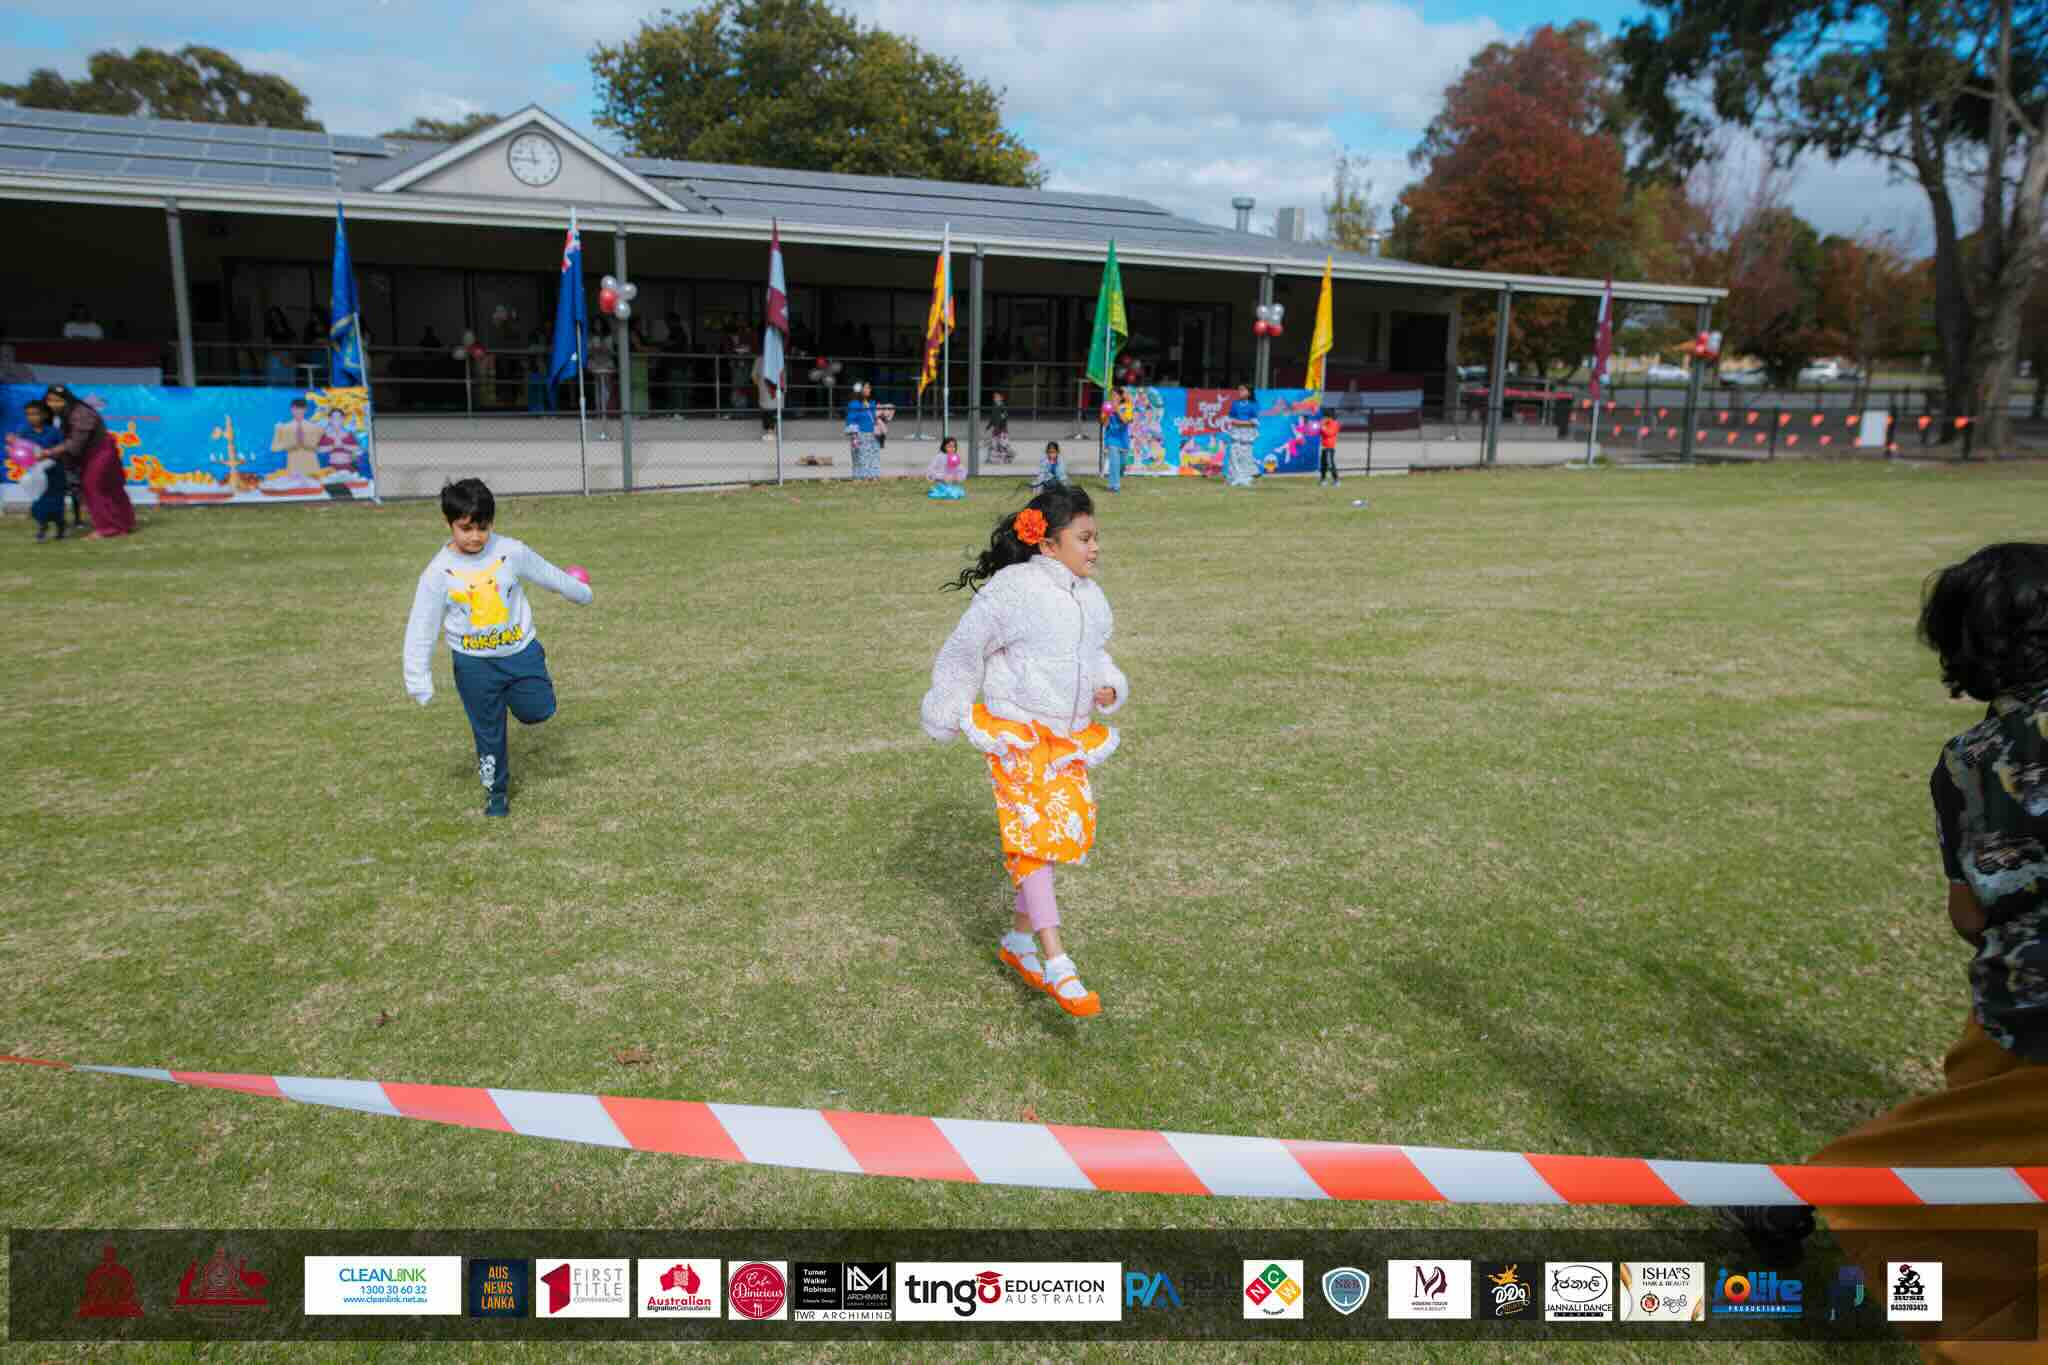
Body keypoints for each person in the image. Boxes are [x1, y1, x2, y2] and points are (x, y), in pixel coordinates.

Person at [1731, 542, 2048, 1353]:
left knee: (1968, 1138)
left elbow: (1969, 914)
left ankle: (1804, 1193)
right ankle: (1812, 1192)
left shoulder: (1970, 762)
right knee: (1970, 1142)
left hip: (2022, 1009)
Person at [920, 484, 1128, 1018]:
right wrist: (948, 707)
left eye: (1096, 537)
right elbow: (963, 651)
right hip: (1019, 737)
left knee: (1055, 837)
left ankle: (1018, 943)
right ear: (1049, 545)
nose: (1095, 548)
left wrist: (1107, 686)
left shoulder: (1090, 596)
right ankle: (1057, 958)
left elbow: (1095, 654)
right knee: (1033, 843)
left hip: (1065, 741)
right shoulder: (1013, 591)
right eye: (1084, 538)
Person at [401, 478, 593, 818]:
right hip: (473, 665)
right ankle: (496, 794)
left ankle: (515, 690)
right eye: (466, 528)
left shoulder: (511, 552)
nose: (475, 536)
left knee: (539, 711)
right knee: (488, 733)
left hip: (519, 654)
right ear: (449, 524)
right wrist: (418, 677)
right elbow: (421, 626)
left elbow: (547, 574)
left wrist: (579, 591)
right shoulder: (437, 574)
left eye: (483, 527)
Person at [43, 385, 132, 538]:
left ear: (67, 400)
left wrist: (51, 453)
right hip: (93, 452)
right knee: (110, 488)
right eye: (50, 400)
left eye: (57, 401)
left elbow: (75, 443)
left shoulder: (81, 412)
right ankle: (124, 524)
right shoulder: (63, 415)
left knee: (93, 487)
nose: (53, 404)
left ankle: (107, 528)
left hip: (100, 452)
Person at [16, 399, 68, 540]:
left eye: (36, 414)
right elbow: (19, 451)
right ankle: (42, 527)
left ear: (44, 415)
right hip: (36, 475)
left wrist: (48, 454)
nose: (32, 417)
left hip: (55, 474)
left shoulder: (54, 432)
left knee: (56, 503)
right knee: (39, 503)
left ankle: (60, 526)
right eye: (29, 414)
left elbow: (63, 449)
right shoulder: (24, 432)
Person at [1225, 381, 1259, 487]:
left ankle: (1246, 478)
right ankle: (1234, 477)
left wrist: (1239, 423)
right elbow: (1230, 419)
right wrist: (1243, 423)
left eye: (1243, 390)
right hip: (1236, 433)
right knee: (1233, 453)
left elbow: (1254, 423)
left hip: (1247, 434)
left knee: (1246, 454)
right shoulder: (1235, 404)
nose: (1240, 392)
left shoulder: (1254, 405)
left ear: (1249, 393)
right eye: (1239, 390)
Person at [845, 382, 881, 480]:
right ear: (860, 390)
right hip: (861, 435)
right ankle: (861, 477)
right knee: (861, 457)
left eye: (869, 387)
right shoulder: (855, 404)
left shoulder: (872, 403)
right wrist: (854, 437)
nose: (869, 389)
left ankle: (873, 476)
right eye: (866, 388)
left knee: (874, 457)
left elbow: (875, 417)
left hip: (873, 435)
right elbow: (851, 420)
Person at [1101, 388, 1130, 493]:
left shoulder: (1127, 406)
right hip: (1111, 438)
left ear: (1120, 397)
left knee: (1122, 463)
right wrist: (1108, 413)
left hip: (1123, 439)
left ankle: (1119, 474)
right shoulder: (1106, 407)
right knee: (1114, 463)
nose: (1113, 397)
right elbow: (1104, 424)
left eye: (1115, 395)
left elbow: (1126, 421)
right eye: (1111, 395)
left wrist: (1117, 410)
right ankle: (1113, 486)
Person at [925, 435, 966, 500]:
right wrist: (941, 477)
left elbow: (962, 471)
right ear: (944, 446)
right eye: (949, 446)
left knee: (958, 492)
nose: (952, 448)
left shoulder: (955, 458)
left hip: (952, 485)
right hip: (941, 485)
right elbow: (929, 471)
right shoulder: (939, 457)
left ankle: (950, 492)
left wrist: (956, 478)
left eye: (954, 446)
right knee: (946, 492)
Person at [986, 391, 1012, 464]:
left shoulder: (1003, 407)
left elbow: (1004, 416)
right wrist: (988, 426)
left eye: (997, 397)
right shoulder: (994, 407)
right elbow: (992, 418)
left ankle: (1007, 457)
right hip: (996, 430)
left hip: (1002, 430)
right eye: (994, 397)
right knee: (993, 444)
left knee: (1003, 444)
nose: (995, 398)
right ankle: (990, 458)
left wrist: (999, 425)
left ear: (1001, 398)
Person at [1318, 408, 1342, 486]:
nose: (1323, 418)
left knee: (1330, 464)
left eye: (1325, 417)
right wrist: (1320, 428)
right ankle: (1323, 480)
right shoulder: (1325, 424)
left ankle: (1336, 480)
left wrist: (1323, 427)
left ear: (1329, 416)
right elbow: (1321, 433)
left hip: (1329, 448)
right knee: (1323, 465)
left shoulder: (1334, 424)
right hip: (1324, 447)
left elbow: (1330, 433)